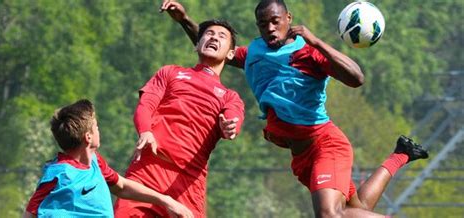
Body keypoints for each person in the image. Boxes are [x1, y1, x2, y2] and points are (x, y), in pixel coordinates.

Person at [160, 0, 429, 217]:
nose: (270, 28)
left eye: (276, 21)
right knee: (355, 211)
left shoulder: (308, 53)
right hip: (302, 157)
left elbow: (356, 78)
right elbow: (215, 47)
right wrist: (184, 19)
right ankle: (401, 154)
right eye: (263, 24)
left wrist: (316, 41)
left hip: (325, 144)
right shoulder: (253, 52)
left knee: (330, 215)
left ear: (289, 18)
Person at [113, 19, 245, 218]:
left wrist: (230, 126)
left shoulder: (229, 96)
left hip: (187, 185)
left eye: (221, 36)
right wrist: (145, 131)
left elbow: (233, 119)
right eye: (208, 34)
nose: (214, 37)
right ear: (196, 45)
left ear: (231, 54)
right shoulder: (170, 73)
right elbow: (145, 105)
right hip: (148, 170)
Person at [23, 99, 193, 218]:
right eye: (96, 126)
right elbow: (31, 212)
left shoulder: (95, 163)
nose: (99, 129)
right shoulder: (59, 173)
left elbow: (122, 186)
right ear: (88, 137)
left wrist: (166, 201)